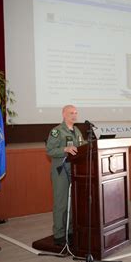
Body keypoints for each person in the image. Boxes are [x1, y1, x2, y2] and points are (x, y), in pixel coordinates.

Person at [46, 105, 85, 246]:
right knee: (61, 203)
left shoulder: (77, 130)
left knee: (72, 202)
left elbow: (82, 146)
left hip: (75, 170)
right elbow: (49, 150)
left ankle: (70, 230)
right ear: (63, 114)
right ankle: (59, 234)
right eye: (71, 113)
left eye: (75, 113)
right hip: (61, 171)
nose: (74, 115)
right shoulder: (57, 131)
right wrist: (65, 149)